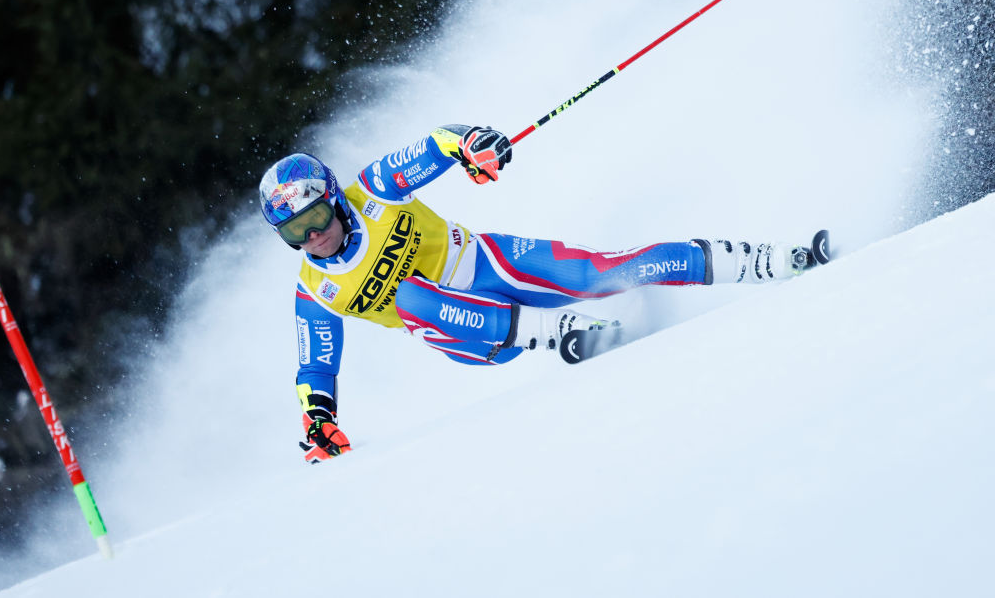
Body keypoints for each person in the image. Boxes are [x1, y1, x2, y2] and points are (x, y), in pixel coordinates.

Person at [259, 125, 821, 463]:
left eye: (313, 216)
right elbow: (316, 367)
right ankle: (560, 336)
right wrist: (318, 422)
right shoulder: (317, 292)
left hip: (487, 261)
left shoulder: (376, 191)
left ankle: (771, 260)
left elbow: (434, 146)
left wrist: (472, 146)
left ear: (332, 196)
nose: (313, 237)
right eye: (294, 233)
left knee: (602, 272)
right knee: (409, 300)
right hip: (465, 330)